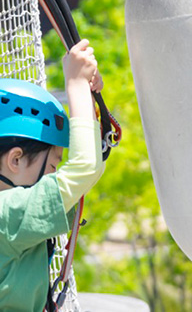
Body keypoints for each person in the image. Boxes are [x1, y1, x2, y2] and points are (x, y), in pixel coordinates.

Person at [0, 39, 105, 312]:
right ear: (16, 159)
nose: (55, 173)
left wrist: (87, 98)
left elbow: (86, 169)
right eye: (53, 165)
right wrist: (77, 85)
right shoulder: (6, 214)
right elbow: (84, 168)